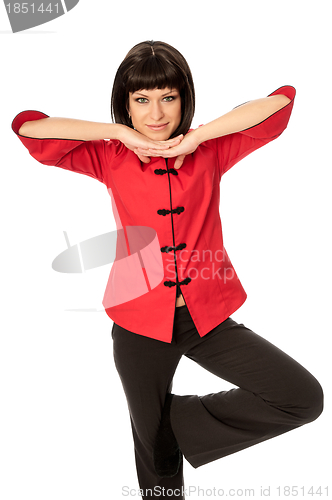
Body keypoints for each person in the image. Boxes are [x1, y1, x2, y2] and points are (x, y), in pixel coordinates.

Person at [12, 40, 323, 499]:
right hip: (137, 324)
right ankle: (157, 433)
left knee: (301, 398)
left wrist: (199, 135)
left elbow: (280, 103)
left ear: (183, 98)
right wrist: (118, 134)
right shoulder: (108, 157)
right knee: (159, 472)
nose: (156, 113)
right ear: (126, 105)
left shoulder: (213, 150)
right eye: (141, 101)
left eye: (168, 97)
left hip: (206, 318)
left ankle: (169, 424)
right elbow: (28, 129)